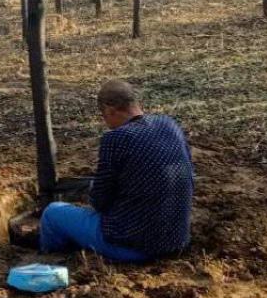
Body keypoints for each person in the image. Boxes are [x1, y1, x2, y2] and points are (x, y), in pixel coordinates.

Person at [39, 79, 194, 261]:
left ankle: (48, 259)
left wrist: (91, 191)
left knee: (53, 213)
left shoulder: (117, 138)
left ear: (110, 109)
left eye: (104, 116)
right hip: (175, 241)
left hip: (132, 247)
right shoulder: (169, 124)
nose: (106, 123)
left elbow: (100, 201)